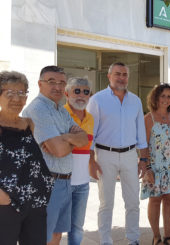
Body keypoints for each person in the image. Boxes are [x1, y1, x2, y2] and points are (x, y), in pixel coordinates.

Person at [23, 66, 88, 245]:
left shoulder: (61, 109)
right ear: (40, 84)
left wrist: (65, 137)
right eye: (51, 82)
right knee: (41, 236)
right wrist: (71, 139)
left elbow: (84, 139)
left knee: (56, 235)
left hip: (65, 181)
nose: (57, 87)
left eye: (61, 83)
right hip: (47, 183)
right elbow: (59, 151)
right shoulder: (38, 109)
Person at [87, 62, 148, 245]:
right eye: (117, 74)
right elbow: (91, 133)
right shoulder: (97, 100)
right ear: (109, 76)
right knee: (106, 203)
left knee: (133, 202)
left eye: (124, 74)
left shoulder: (135, 101)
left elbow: (141, 134)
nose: (121, 78)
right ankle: (105, 241)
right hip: (105, 155)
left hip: (130, 155)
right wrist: (91, 161)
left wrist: (143, 159)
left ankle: (133, 239)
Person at [0, 71, 54, 245]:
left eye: (21, 93)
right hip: (6, 203)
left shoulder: (28, 123)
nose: (17, 99)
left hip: (36, 201)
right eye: (10, 93)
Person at [141, 83, 170, 245]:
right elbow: (144, 144)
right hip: (155, 167)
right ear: (155, 97)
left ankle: (167, 236)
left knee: (169, 199)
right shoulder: (148, 118)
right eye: (163, 96)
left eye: (169, 96)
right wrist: (146, 168)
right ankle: (156, 237)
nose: (166, 99)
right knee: (155, 200)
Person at [64, 77, 94, 245]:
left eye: (85, 92)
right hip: (62, 182)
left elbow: (87, 148)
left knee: (77, 227)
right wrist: (73, 139)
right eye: (76, 91)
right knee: (55, 227)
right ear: (66, 94)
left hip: (83, 183)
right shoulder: (61, 114)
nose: (81, 95)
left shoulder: (91, 118)